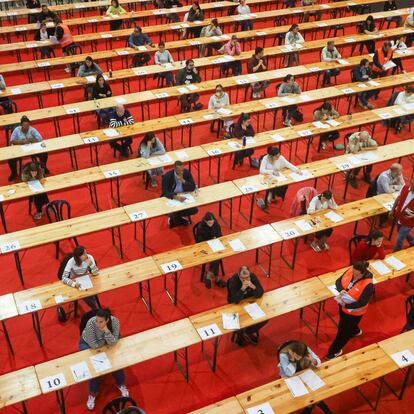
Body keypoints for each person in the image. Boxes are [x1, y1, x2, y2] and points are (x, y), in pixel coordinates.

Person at [79, 308, 129, 411]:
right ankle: (93, 393)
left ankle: (121, 384)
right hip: (87, 344)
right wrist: (107, 343)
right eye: (97, 320)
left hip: (106, 342)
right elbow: (94, 345)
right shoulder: (91, 323)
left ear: (107, 320)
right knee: (97, 367)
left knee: (116, 363)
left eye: (101, 321)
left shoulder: (115, 322)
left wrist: (106, 331)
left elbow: (114, 342)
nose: (97, 323)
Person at [327, 261, 374, 359]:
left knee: (342, 333)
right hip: (343, 306)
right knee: (345, 325)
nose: (354, 275)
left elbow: (362, 302)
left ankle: (333, 351)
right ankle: (355, 331)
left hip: (354, 313)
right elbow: (338, 281)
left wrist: (347, 306)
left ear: (363, 273)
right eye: (353, 272)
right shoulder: (350, 271)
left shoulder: (368, 285)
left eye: (356, 274)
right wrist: (341, 290)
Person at [278, 340, 332, 414]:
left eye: (300, 357)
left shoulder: (304, 350)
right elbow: (289, 373)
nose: (299, 359)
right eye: (297, 356)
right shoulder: (283, 355)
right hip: (290, 377)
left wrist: (312, 360)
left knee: (315, 391)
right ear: (291, 351)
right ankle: (316, 408)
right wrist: (293, 360)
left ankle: (310, 407)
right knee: (305, 395)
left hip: (304, 373)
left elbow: (318, 362)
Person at [227, 265, 267, 345]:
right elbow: (235, 300)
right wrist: (242, 289)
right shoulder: (233, 281)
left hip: (250, 303)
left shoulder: (252, 277)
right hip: (237, 304)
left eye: (247, 277)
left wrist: (252, 286)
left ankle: (248, 332)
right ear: (239, 275)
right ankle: (240, 333)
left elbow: (260, 293)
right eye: (243, 278)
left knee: (266, 318)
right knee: (240, 320)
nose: (246, 280)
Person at [8, 116, 48, 182]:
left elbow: (40, 139)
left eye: (28, 125)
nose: (27, 127)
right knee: (11, 160)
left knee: (44, 154)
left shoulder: (32, 129)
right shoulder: (16, 130)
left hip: (31, 149)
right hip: (20, 149)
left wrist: (31, 139)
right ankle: (14, 173)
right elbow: (12, 141)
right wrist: (22, 142)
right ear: (21, 125)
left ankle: (43, 168)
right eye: (25, 125)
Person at [161, 160, 198, 228]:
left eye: (182, 170)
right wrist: (176, 197)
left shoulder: (186, 173)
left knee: (195, 210)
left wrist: (183, 180)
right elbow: (165, 192)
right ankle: (180, 220)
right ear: (174, 169)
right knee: (175, 209)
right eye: (179, 170)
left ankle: (173, 217)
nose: (181, 172)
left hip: (184, 195)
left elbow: (192, 187)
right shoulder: (167, 176)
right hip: (173, 196)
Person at [194, 212, 226, 289]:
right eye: (209, 223)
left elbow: (220, 235)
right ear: (205, 221)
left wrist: (217, 238)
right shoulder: (200, 228)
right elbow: (200, 241)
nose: (211, 224)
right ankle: (217, 279)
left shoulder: (216, 225)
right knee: (217, 258)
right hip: (205, 247)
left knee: (217, 256)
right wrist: (211, 240)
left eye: (212, 222)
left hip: (215, 245)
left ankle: (208, 275)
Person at [391, 177, 414, 251]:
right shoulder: (405, 187)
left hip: (409, 221)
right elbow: (398, 198)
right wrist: (392, 209)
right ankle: (412, 241)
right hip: (399, 215)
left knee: (399, 238)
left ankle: (396, 252)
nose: (412, 187)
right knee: (401, 231)